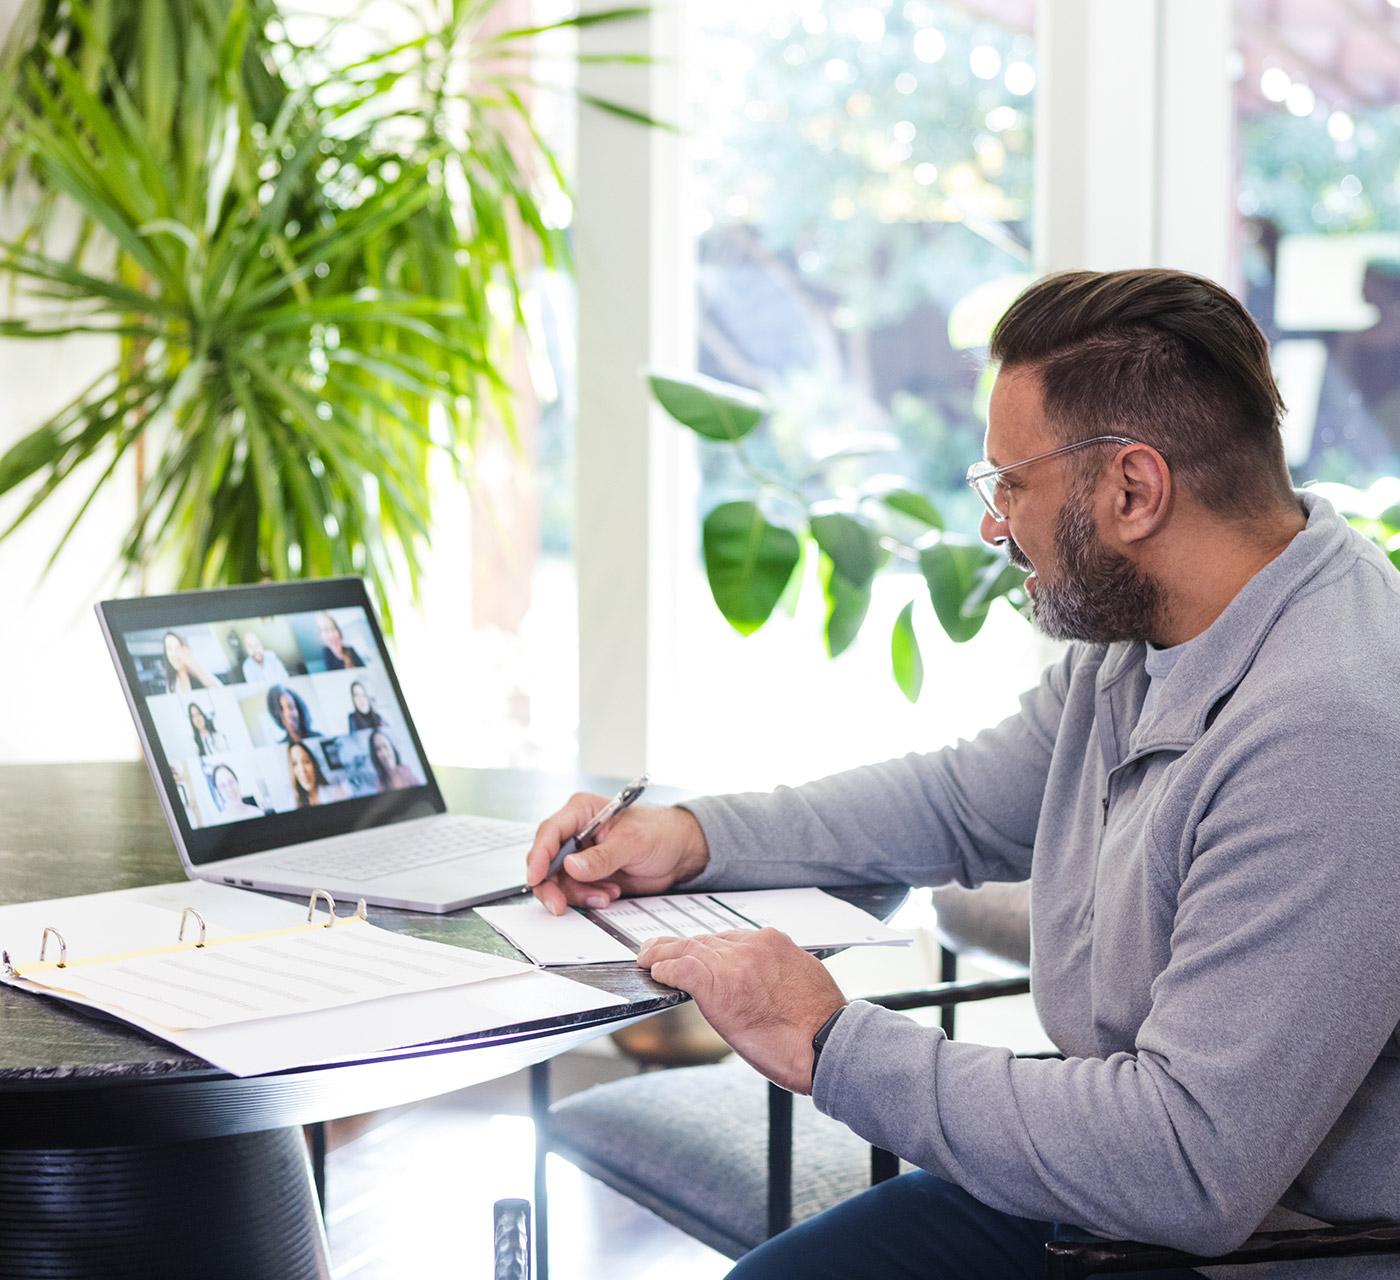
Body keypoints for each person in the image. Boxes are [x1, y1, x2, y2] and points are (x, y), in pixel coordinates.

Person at [525, 270, 1400, 1280]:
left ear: (1130, 489)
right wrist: (690, 834)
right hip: (1112, 1189)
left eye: (1008, 484)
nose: (993, 526)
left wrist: (827, 1037)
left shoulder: (1329, 727)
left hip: (1240, 1244)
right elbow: (954, 799)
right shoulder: (1160, 626)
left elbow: (1186, 1165)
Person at [287, 742, 347, 808]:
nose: (302, 770)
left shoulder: (336, 793)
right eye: (295, 764)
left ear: (314, 765)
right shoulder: (292, 803)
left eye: (306, 761)